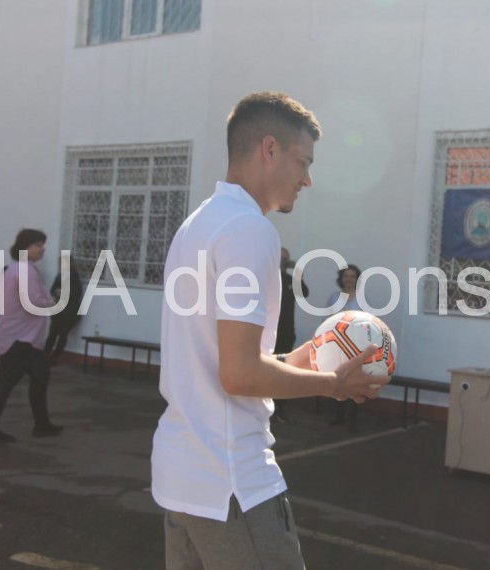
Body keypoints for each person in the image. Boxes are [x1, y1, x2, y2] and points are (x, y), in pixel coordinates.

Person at [151, 92, 389, 570]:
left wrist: (313, 355)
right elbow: (239, 375)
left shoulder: (198, 225)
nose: (307, 179)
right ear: (269, 149)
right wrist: (333, 384)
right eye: (304, 162)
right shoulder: (248, 230)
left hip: (183, 477)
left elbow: (226, 362)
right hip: (231, 482)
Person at [0, 229, 62, 443]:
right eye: (38, 245)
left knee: (40, 376)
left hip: (24, 337)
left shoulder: (20, 268)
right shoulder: (24, 270)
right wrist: (52, 302)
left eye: (42, 245)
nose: (43, 249)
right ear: (26, 247)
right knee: (6, 382)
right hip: (19, 338)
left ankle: (42, 424)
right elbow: (32, 302)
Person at [272, 247, 309, 422]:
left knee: (283, 368)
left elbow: (304, 293)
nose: (283, 262)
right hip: (265, 332)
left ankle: (279, 406)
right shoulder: (265, 278)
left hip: (286, 333)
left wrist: (298, 272)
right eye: (280, 258)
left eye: (285, 259)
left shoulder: (290, 280)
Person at [325, 264, 364, 432]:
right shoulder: (334, 298)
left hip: (355, 347)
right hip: (336, 345)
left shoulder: (362, 300)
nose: (349, 279)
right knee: (337, 380)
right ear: (341, 279)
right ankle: (338, 417)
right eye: (346, 276)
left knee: (354, 382)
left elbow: (368, 324)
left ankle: (353, 420)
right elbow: (327, 321)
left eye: (352, 276)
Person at [43, 258, 84, 366]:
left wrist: (63, 292)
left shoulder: (73, 277)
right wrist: (57, 292)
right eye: (59, 263)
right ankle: (44, 356)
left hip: (69, 312)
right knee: (52, 334)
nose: (60, 265)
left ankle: (54, 357)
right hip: (58, 310)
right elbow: (53, 290)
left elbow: (75, 293)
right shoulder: (59, 276)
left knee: (62, 334)